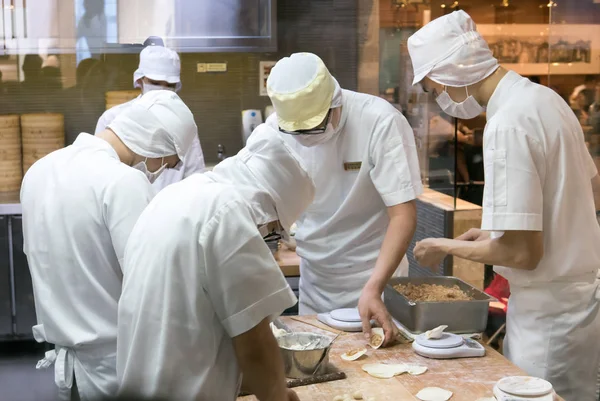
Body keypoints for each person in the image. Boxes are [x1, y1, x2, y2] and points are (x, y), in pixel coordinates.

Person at [408, 10, 600, 400]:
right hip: (576, 304)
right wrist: (495, 231)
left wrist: (444, 245)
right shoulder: (545, 99)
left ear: (450, 74)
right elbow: (588, 189)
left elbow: (522, 253)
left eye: (434, 88)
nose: (440, 98)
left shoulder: (507, 123)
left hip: (546, 317)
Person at [20, 90, 197, 401]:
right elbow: (153, 289)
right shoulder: (123, 183)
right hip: (119, 372)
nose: (158, 175)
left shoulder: (38, 171)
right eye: (166, 164)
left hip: (67, 371)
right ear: (154, 143)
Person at [117, 124, 314, 401]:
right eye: (273, 229)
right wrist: (277, 396)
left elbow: (195, 316)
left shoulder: (176, 195)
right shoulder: (228, 211)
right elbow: (254, 344)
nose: (267, 235)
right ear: (266, 207)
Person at [265, 52, 422, 344]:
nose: (306, 138)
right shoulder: (274, 129)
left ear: (334, 101)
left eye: (314, 127)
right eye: (297, 131)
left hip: (378, 278)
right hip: (316, 280)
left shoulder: (379, 121)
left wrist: (374, 287)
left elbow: (403, 215)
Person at [95, 45, 205, 192]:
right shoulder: (112, 119)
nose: (162, 89)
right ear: (140, 80)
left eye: (170, 85)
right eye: (155, 83)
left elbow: (196, 176)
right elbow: (101, 177)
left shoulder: (181, 124)